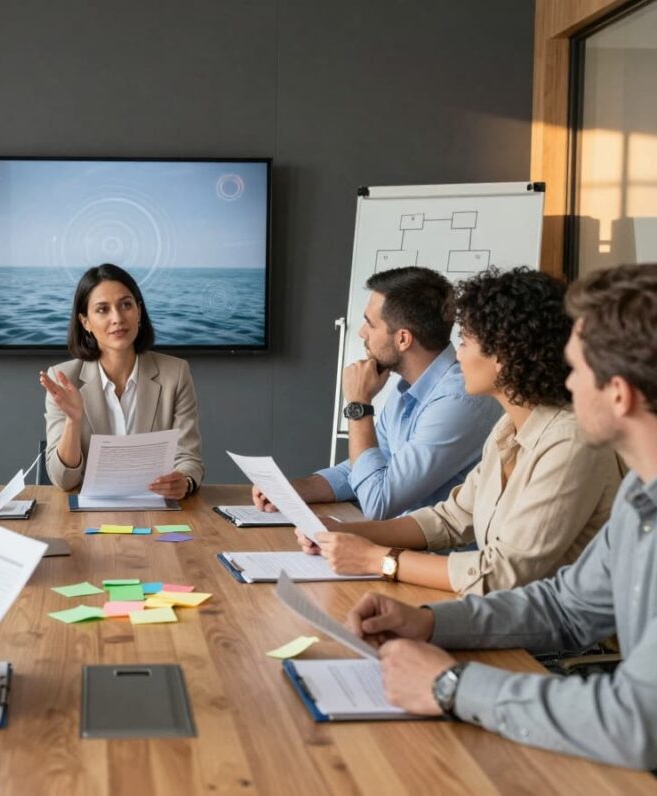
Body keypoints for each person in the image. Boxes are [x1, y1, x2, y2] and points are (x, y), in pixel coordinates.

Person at [343, 263, 657, 770]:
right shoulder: (640, 495)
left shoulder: (575, 441)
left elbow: (637, 722)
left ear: (618, 394)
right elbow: (564, 607)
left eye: (576, 369)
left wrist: (449, 684)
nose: (567, 382)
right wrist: (426, 623)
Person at [296, 267, 623, 595]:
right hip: (495, 609)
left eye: (465, 342)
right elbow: (451, 517)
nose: (458, 356)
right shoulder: (507, 430)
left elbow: (502, 573)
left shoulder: (568, 442)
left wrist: (375, 558)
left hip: (546, 641)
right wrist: (348, 533)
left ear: (502, 357)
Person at [254, 266, 500, 520]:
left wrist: (358, 405)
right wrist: (295, 490)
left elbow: (379, 503)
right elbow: (368, 466)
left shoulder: (458, 400)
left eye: (370, 324)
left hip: (431, 557)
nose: (361, 332)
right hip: (396, 546)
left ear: (403, 339)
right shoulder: (409, 386)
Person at [39, 263, 204, 496]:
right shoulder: (63, 379)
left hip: (157, 508)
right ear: (85, 322)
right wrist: (73, 420)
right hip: (88, 516)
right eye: (102, 309)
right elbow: (63, 480)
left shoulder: (175, 373)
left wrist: (184, 481)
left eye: (126, 305)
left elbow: (189, 459)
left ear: (138, 311)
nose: (117, 318)